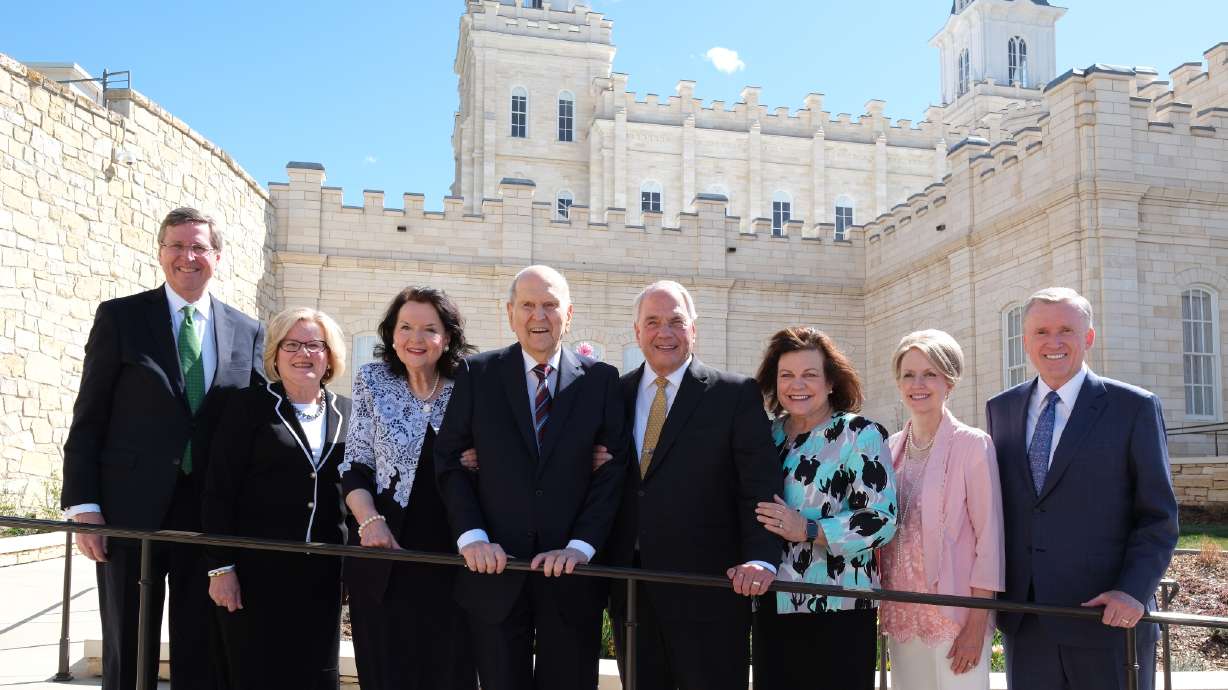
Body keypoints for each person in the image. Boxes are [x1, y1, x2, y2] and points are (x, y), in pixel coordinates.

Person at [60, 207, 264, 689]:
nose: (186, 257)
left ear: (217, 256)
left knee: (203, 647)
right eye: (175, 245)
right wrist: (84, 507)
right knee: (129, 648)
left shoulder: (248, 330)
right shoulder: (121, 318)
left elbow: (255, 425)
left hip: (208, 514)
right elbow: (89, 416)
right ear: (160, 253)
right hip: (129, 511)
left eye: (198, 247)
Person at [434, 265, 628, 690]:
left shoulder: (601, 380)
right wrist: (473, 537)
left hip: (572, 579)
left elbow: (613, 472)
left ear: (569, 314)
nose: (538, 316)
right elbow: (448, 461)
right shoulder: (476, 374)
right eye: (527, 305)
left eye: (550, 305)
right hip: (494, 574)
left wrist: (580, 547)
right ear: (510, 313)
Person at [986, 287, 1179, 690]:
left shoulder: (1134, 407)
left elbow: (1158, 516)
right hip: (1027, 621)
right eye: (1041, 332)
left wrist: (1132, 592)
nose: (1052, 342)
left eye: (1066, 331)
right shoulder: (1000, 409)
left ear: (1088, 337)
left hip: (1105, 620)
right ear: (1025, 341)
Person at [606, 280, 781, 690]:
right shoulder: (614, 393)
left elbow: (757, 483)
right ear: (637, 332)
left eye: (675, 322)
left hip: (709, 587)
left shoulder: (734, 394)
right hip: (632, 588)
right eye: (652, 322)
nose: (663, 333)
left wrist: (761, 558)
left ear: (693, 330)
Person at [201, 307, 350, 689]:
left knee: (316, 677)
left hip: (323, 575)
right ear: (275, 355)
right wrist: (221, 568)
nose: (304, 354)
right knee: (257, 675)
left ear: (330, 356)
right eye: (292, 345)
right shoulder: (248, 407)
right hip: (255, 573)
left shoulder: (347, 413)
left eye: (315, 345)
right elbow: (219, 491)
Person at [339, 287, 478, 690]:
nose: (416, 339)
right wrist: (370, 522)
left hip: (454, 562)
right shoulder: (372, 379)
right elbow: (356, 463)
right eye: (406, 327)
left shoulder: (470, 383)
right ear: (392, 334)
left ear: (447, 337)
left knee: (449, 674)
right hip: (386, 557)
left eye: (429, 329)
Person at [749, 326, 897, 690]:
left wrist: (810, 530)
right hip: (772, 601)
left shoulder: (860, 434)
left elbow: (881, 519)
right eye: (787, 375)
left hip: (839, 606)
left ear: (831, 382)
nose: (797, 384)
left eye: (809, 375)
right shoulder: (766, 435)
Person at [880, 329, 1004, 689]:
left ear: (949, 381)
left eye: (929, 373)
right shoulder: (890, 448)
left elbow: (990, 540)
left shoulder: (972, 445)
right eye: (908, 374)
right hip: (902, 611)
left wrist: (977, 625)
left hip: (954, 617)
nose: (917, 384)